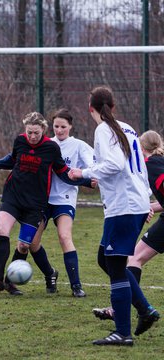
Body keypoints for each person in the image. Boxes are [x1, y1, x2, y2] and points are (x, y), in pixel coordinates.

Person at [68, 86, 160, 346]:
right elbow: (135, 167)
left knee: (116, 266)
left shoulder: (103, 129)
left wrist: (83, 173)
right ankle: (145, 309)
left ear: (90, 108)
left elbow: (114, 165)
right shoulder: (127, 127)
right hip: (135, 202)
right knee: (105, 259)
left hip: (124, 206)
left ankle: (123, 332)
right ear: (114, 106)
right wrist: (144, 201)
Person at [0, 112, 93, 295]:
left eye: (36, 133)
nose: (32, 136)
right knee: (2, 229)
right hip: (14, 196)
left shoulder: (52, 148)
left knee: (26, 245)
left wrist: (87, 181)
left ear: (43, 130)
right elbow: (12, 159)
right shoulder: (20, 141)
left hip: (36, 203)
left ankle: (45, 278)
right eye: (29, 132)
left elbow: (63, 171)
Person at [92, 130, 163, 322]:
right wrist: (147, 207)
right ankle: (128, 309)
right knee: (134, 258)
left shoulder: (152, 166)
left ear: (140, 147)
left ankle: (131, 310)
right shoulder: (155, 164)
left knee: (129, 259)